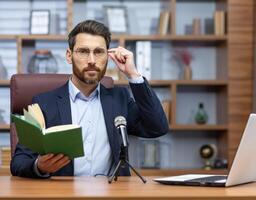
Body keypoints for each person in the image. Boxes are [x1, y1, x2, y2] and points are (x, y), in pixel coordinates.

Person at [10, 20, 169, 178]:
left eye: (99, 52)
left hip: (112, 193)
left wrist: (133, 75)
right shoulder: (44, 103)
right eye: (83, 51)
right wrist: (39, 165)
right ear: (69, 55)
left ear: (108, 56)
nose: (92, 60)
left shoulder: (120, 99)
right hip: (63, 193)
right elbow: (19, 162)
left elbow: (157, 128)